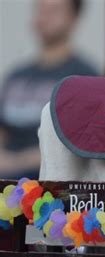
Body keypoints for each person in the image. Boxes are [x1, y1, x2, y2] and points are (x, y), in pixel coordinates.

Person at [0, 0, 98, 179]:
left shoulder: (84, 78)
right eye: (41, 9)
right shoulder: (16, 76)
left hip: (46, 186)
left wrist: (16, 161)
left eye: (54, 10)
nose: (45, 15)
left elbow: (75, 148)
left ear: (73, 18)